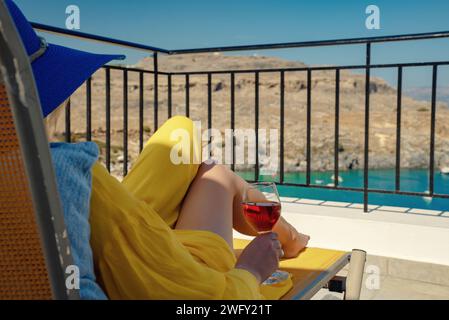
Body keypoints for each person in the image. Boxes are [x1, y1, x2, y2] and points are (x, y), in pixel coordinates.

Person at [6, 0, 309, 299]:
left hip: (132, 231)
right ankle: (284, 240)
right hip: (184, 265)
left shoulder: (23, 173)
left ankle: (284, 234)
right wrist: (250, 272)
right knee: (215, 174)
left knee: (181, 130)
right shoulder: (61, 174)